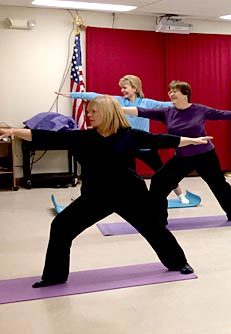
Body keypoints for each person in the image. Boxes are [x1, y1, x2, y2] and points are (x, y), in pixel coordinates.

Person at [0, 96, 208, 287]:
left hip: (130, 195)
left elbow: (160, 140)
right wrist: (14, 131)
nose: (88, 115)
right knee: (61, 226)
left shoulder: (129, 135)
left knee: (155, 229)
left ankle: (179, 263)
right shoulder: (83, 137)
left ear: (107, 113)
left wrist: (193, 141)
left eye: (93, 112)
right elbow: (48, 137)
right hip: (96, 196)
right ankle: (54, 276)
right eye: (88, 112)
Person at [123, 80, 231, 224]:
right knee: (159, 181)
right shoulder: (166, 112)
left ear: (185, 94)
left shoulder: (199, 109)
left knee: (218, 183)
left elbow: (222, 114)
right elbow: (141, 111)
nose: (171, 94)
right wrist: (119, 109)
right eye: (170, 91)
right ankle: (157, 218)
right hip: (182, 157)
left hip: (205, 155)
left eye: (175, 91)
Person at [57, 74, 190, 203]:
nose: (122, 90)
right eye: (121, 88)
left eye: (125, 87)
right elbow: (95, 96)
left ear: (135, 88)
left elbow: (167, 105)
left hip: (145, 146)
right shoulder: (118, 101)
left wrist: (186, 103)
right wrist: (72, 95)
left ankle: (181, 196)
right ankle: (92, 197)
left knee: (162, 172)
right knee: (115, 172)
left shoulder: (147, 103)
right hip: (127, 146)